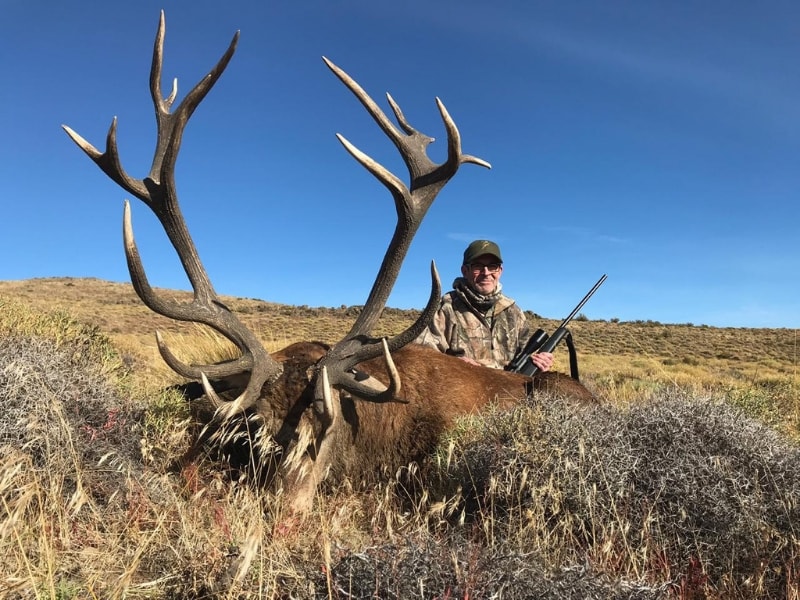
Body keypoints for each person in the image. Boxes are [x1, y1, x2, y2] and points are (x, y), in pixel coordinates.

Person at [415, 240, 554, 371]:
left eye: (492, 266)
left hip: (510, 391)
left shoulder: (514, 312)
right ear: (465, 271)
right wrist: (455, 365)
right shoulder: (444, 309)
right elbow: (420, 356)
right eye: (478, 266)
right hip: (462, 391)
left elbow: (525, 356)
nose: (486, 273)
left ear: (500, 271)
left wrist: (539, 362)